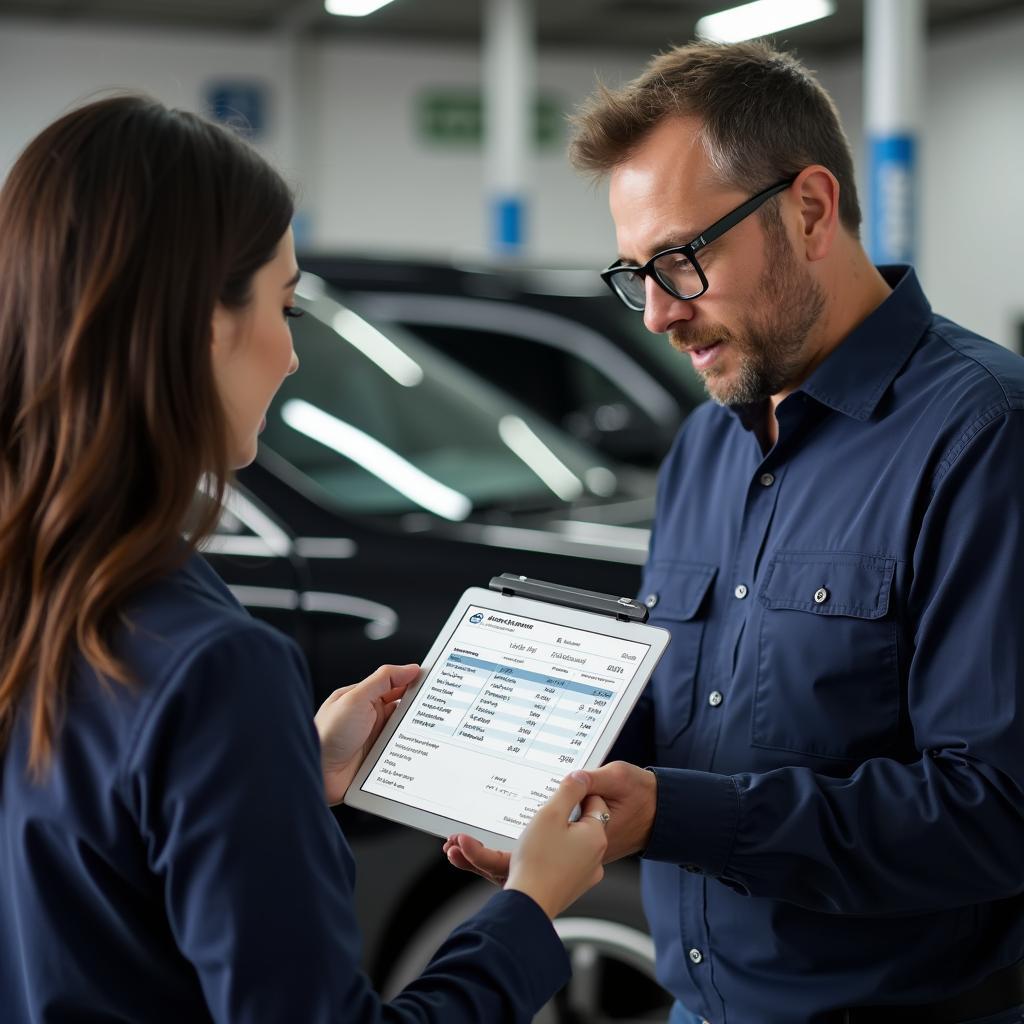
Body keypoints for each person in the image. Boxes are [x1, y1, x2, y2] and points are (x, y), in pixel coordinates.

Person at [0, 94, 612, 1024]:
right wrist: (528, 909)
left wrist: (285, 774)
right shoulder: (210, 667)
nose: (290, 356)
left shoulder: (42, 594)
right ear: (202, 323)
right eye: (284, 305)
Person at [445, 41, 1024, 1023]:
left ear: (808, 209)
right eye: (635, 273)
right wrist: (558, 792)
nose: (659, 314)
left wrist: (678, 813)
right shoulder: (705, 449)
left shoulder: (981, 437)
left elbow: (994, 811)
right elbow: (691, 715)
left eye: (682, 258)